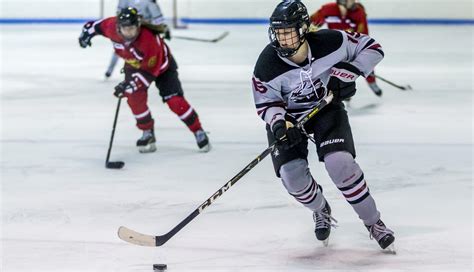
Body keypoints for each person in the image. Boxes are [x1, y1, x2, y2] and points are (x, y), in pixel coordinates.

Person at [251, 0, 394, 250]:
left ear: (304, 28)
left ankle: (374, 222)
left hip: (326, 108)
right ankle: (321, 209)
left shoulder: (331, 42)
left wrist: (350, 72)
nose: (283, 40)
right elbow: (266, 104)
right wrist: (280, 125)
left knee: (340, 163)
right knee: (292, 177)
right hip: (289, 119)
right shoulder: (267, 64)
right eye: (279, 33)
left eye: (289, 32)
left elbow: (373, 48)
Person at [79, 7, 210, 153]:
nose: (129, 32)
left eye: (132, 28)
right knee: (134, 99)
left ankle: (198, 131)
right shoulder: (111, 27)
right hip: (134, 66)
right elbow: (93, 26)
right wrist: (85, 35)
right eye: (125, 29)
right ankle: (147, 133)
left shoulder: (148, 40)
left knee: (175, 101)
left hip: (162, 68)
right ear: (118, 27)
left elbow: (148, 73)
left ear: (138, 26)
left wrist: (130, 85)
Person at [310, 0, 383, 97]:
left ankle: (372, 83)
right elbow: (311, 22)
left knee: (365, 62)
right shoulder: (328, 9)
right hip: (334, 46)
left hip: (351, 46)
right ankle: (339, 88)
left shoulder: (359, 12)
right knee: (332, 69)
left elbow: (363, 36)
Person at [105, 0, 171, 78]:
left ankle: (154, 72)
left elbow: (158, 17)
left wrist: (164, 29)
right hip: (128, 30)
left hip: (143, 33)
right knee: (119, 49)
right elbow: (119, 15)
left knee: (151, 52)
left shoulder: (149, 2)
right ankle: (110, 70)